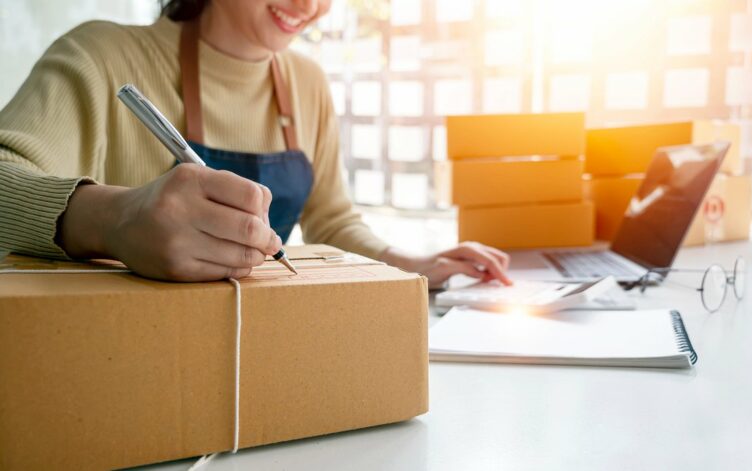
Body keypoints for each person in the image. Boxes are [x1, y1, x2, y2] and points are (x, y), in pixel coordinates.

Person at [0, 0, 512, 287]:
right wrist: (116, 220)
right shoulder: (101, 56)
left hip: (262, 351)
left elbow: (332, 222)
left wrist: (411, 262)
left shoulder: (307, 81)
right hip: (134, 363)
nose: (308, 6)